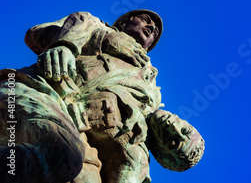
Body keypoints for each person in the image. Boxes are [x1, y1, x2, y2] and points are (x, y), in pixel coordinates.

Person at [0, 10, 204, 183]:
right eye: (145, 20)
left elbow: (131, 168)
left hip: (73, 132)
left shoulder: (148, 98)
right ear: (124, 23)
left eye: (173, 142)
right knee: (62, 157)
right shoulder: (96, 27)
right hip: (35, 91)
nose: (152, 28)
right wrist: (88, 39)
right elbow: (34, 35)